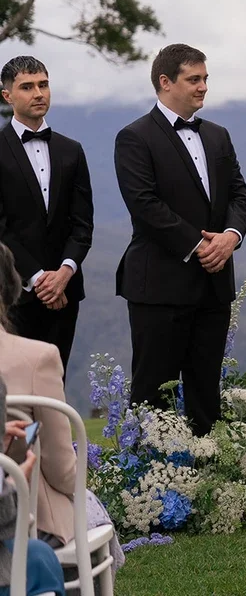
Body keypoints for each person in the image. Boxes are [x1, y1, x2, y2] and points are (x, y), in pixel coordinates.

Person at [114, 43, 246, 436]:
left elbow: (239, 196)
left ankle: (207, 478)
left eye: (205, 78)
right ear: (165, 82)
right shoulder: (134, 137)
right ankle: (145, 486)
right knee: (152, 391)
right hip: (158, 285)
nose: (203, 86)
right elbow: (144, 204)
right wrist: (200, 246)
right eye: (194, 79)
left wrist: (230, 236)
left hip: (214, 284)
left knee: (206, 389)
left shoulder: (219, 136)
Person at [0, 241, 123, 568]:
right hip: (25, 518)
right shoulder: (37, 358)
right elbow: (63, 470)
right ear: (10, 289)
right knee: (89, 515)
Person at [0, 56, 93, 376]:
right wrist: (39, 279)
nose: (39, 93)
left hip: (66, 291)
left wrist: (63, 274)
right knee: (15, 391)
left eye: (43, 84)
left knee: (55, 379)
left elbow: (82, 224)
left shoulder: (72, 150)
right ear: (7, 96)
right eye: (27, 87)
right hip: (10, 292)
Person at [0, 372, 67, 596]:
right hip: (31, 523)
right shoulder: (41, 358)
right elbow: (65, 472)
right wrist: (13, 482)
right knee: (39, 557)